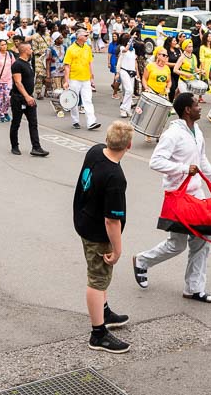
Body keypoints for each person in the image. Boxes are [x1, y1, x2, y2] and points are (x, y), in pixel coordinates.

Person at [133, 93, 211, 304]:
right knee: (177, 244)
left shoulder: (197, 130)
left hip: (197, 193)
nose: (200, 107)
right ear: (187, 110)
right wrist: (184, 169)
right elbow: (156, 162)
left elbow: (201, 159)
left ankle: (194, 289)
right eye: (196, 105)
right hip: (179, 195)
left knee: (202, 240)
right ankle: (142, 261)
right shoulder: (172, 134)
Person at [74, 121, 133, 353]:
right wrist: (117, 250)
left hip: (84, 218)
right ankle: (97, 333)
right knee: (97, 279)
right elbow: (112, 220)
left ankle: (104, 311)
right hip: (97, 231)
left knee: (101, 276)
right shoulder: (115, 177)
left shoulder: (96, 151)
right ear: (129, 145)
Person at [10, 41, 49, 157]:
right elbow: (18, 82)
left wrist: (30, 97)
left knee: (33, 123)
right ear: (25, 50)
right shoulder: (17, 64)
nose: (32, 50)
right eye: (30, 49)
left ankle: (36, 147)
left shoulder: (29, 63)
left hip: (29, 98)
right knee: (16, 123)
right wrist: (26, 96)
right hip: (18, 98)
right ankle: (14, 146)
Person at [63, 29, 100, 130]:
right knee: (74, 100)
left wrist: (91, 77)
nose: (87, 37)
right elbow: (67, 66)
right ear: (79, 37)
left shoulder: (87, 48)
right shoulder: (71, 49)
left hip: (85, 79)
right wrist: (66, 81)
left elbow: (89, 63)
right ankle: (75, 120)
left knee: (88, 100)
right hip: (74, 79)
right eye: (85, 35)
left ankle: (91, 122)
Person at [0, 39, 14, 123]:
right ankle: (1, 113)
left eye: (5, 44)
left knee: (8, 97)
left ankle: (5, 111)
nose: (4, 46)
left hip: (9, 79)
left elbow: (14, 66)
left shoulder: (10, 55)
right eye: (2, 45)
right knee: (1, 98)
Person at [116, 33, 137, 118]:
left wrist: (137, 72)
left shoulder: (133, 50)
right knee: (129, 90)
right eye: (130, 41)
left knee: (130, 92)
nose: (132, 42)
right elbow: (125, 50)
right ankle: (123, 108)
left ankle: (127, 109)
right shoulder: (122, 48)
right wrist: (117, 73)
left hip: (132, 72)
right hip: (124, 71)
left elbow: (134, 61)